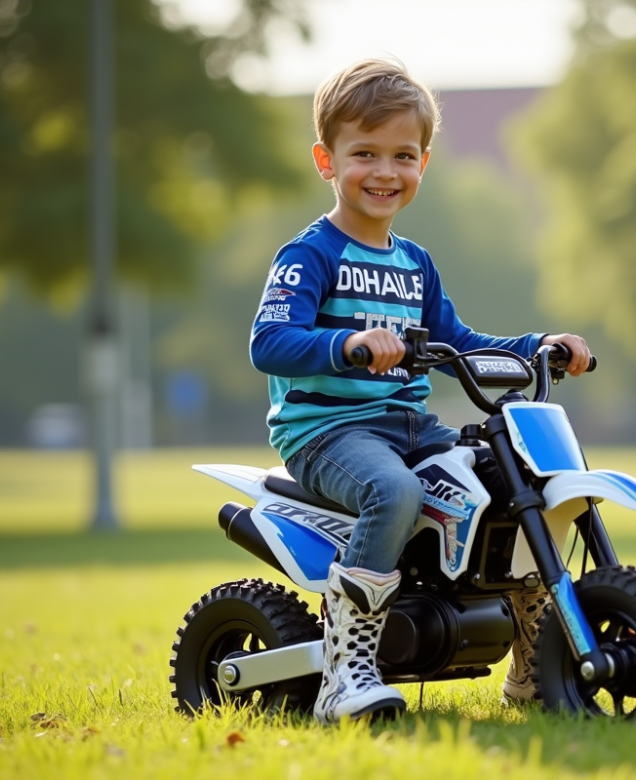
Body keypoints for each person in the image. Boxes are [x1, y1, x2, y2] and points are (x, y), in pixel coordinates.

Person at [249, 59, 592, 724]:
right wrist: (346, 346)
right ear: (327, 160)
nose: (384, 171)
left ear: (423, 165)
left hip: (407, 427)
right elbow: (269, 342)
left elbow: (456, 340)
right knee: (395, 492)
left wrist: (535, 346)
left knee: (511, 483)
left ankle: (534, 665)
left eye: (402, 155)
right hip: (328, 433)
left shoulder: (414, 263)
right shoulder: (309, 255)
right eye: (364, 154)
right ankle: (347, 673)